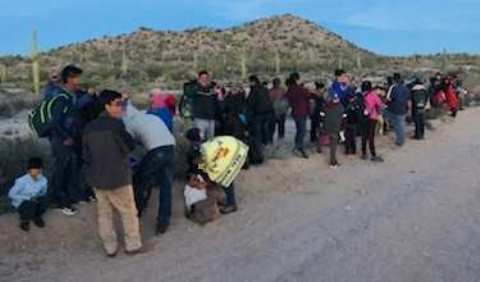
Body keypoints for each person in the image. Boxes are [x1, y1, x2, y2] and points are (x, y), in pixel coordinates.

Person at [82, 90, 143, 257]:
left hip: (97, 179)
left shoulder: (88, 127)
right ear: (106, 106)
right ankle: (132, 245)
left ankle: (110, 247)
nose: (120, 107)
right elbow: (129, 146)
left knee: (104, 215)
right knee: (128, 212)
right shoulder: (116, 125)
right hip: (118, 177)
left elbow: (85, 156)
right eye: (117, 104)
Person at [124, 98, 176, 235]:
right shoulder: (150, 116)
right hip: (170, 147)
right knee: (166, 187)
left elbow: (129, 145)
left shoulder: (129, 123)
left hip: (156, 150)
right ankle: (163, 223)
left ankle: (138, 211)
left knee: (141, 180)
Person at [48, 65, 84, 216]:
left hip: (68, 137)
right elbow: (54, 121)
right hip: (60, 138)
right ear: (70, 78)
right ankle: (60, 202)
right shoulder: (59, 95)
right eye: (77, 77)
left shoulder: (71, 94)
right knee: (62, 168)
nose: (79, 81)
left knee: (71, 165)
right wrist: (65, 137)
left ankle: (69, 198)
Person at [8, 157, 48, 232]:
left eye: (40, 169)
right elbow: (11, 194)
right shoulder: (22, 181)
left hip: (34, 200)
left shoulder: (44, 180)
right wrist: (28, 198)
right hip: (21, 202)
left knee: (44, 199)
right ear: (29, 170)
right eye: (35, 169)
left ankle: (37, 217)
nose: (38, 171)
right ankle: (24, 221)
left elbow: (43, 192)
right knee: (31, 203)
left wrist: (39, 197)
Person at [246, 75, 274, 164]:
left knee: (257, 134)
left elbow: (250, 103)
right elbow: (269, 101)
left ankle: (259, 152)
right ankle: (266, 144)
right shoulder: (265, 89)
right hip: (267, 114)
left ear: (253, 81)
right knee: (264, 130)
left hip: (258, 115)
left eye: (250, 82)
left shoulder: (254, 90)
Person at [285, 72, 311, 159]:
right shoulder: (299, 89)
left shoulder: (290, 89)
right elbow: (308, 94)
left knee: (300, 130)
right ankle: (299, 148)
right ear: (297, 80)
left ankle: (297, 146)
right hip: (301, 112)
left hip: (295, 112)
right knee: (302, 131)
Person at [188, 71, 218, 140]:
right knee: (199, 138)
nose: (204, 79)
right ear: (199, 79)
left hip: (211, 118)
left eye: (206, 78)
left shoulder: (212, 88)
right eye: (202, 78)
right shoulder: (194, 87)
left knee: (211, 139)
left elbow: (217, 101)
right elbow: (189, 94)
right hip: (200, 118)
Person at [385, 73, 411, 146]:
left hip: (394, 109)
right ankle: (401, 140)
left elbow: (388, 99)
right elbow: (408, 100)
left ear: (394, 80)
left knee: (397, 124)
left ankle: (400, 141)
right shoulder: (405, 88)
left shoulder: (393, 87)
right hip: (403, 108)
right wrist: (409, 110)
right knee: (401, 124)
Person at [361, 83, 384, 162]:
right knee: (371, 136)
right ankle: (373, 154)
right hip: (372, 117)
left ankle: (364, 153)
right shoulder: (373, 95)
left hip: (363, 118)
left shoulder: (361, 95)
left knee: (364, 135)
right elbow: (380, 104)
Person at [324, 88, 345, 168]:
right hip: (336, 127)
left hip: (328, 126)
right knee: (333, 145)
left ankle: (333, 160)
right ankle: (333, 162)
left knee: (331, 143)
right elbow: (343, 117)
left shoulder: (327, 106)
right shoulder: (340, 106)